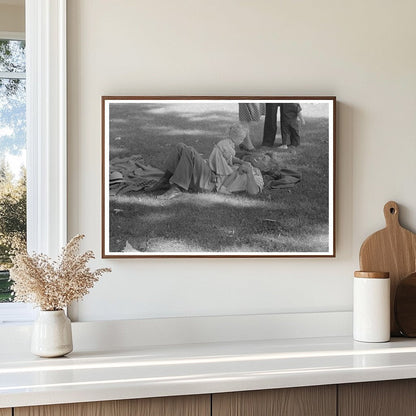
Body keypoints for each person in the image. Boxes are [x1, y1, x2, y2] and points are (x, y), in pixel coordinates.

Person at [149, 124, 263, 199]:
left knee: (189, 151)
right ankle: (164, 180)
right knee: (181, 147)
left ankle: (177, 188)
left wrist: (249, 173)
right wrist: (240, 162)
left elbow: (254, 192)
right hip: (209, 173)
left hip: (212, 183)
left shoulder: (256, 174)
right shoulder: (240, 162)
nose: (259, 157)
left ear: (267, 168)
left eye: (263, 159)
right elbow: (224, 161)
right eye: (261, 156)